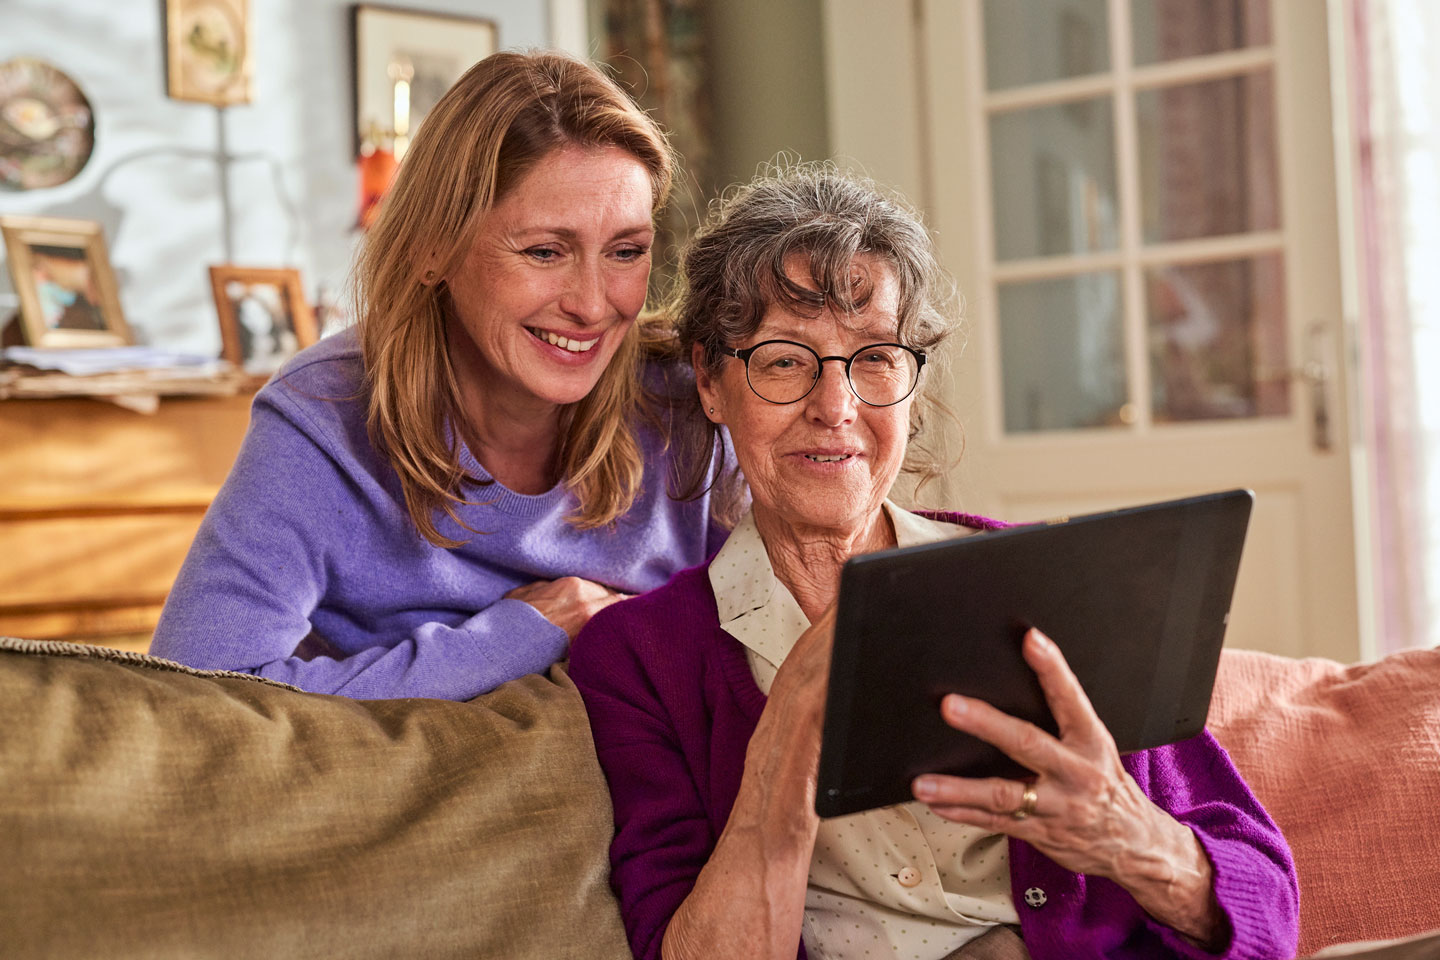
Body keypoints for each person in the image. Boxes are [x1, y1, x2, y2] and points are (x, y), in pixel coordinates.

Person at [568, 164, 1299, 960]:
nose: (836, 407)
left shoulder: (1040, 580)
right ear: (711, 381)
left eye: (875, 359)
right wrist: (785, 749)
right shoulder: (640, 660)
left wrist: (1125, 834)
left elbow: (1269, 911)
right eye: (784, 360)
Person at [150, 51, 725, 700]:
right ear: (433, 249)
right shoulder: (324, 415)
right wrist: (522, 633)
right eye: (544, 251)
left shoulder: (695, 401)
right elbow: (195, 694)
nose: (594, 304)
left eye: (626, 251)